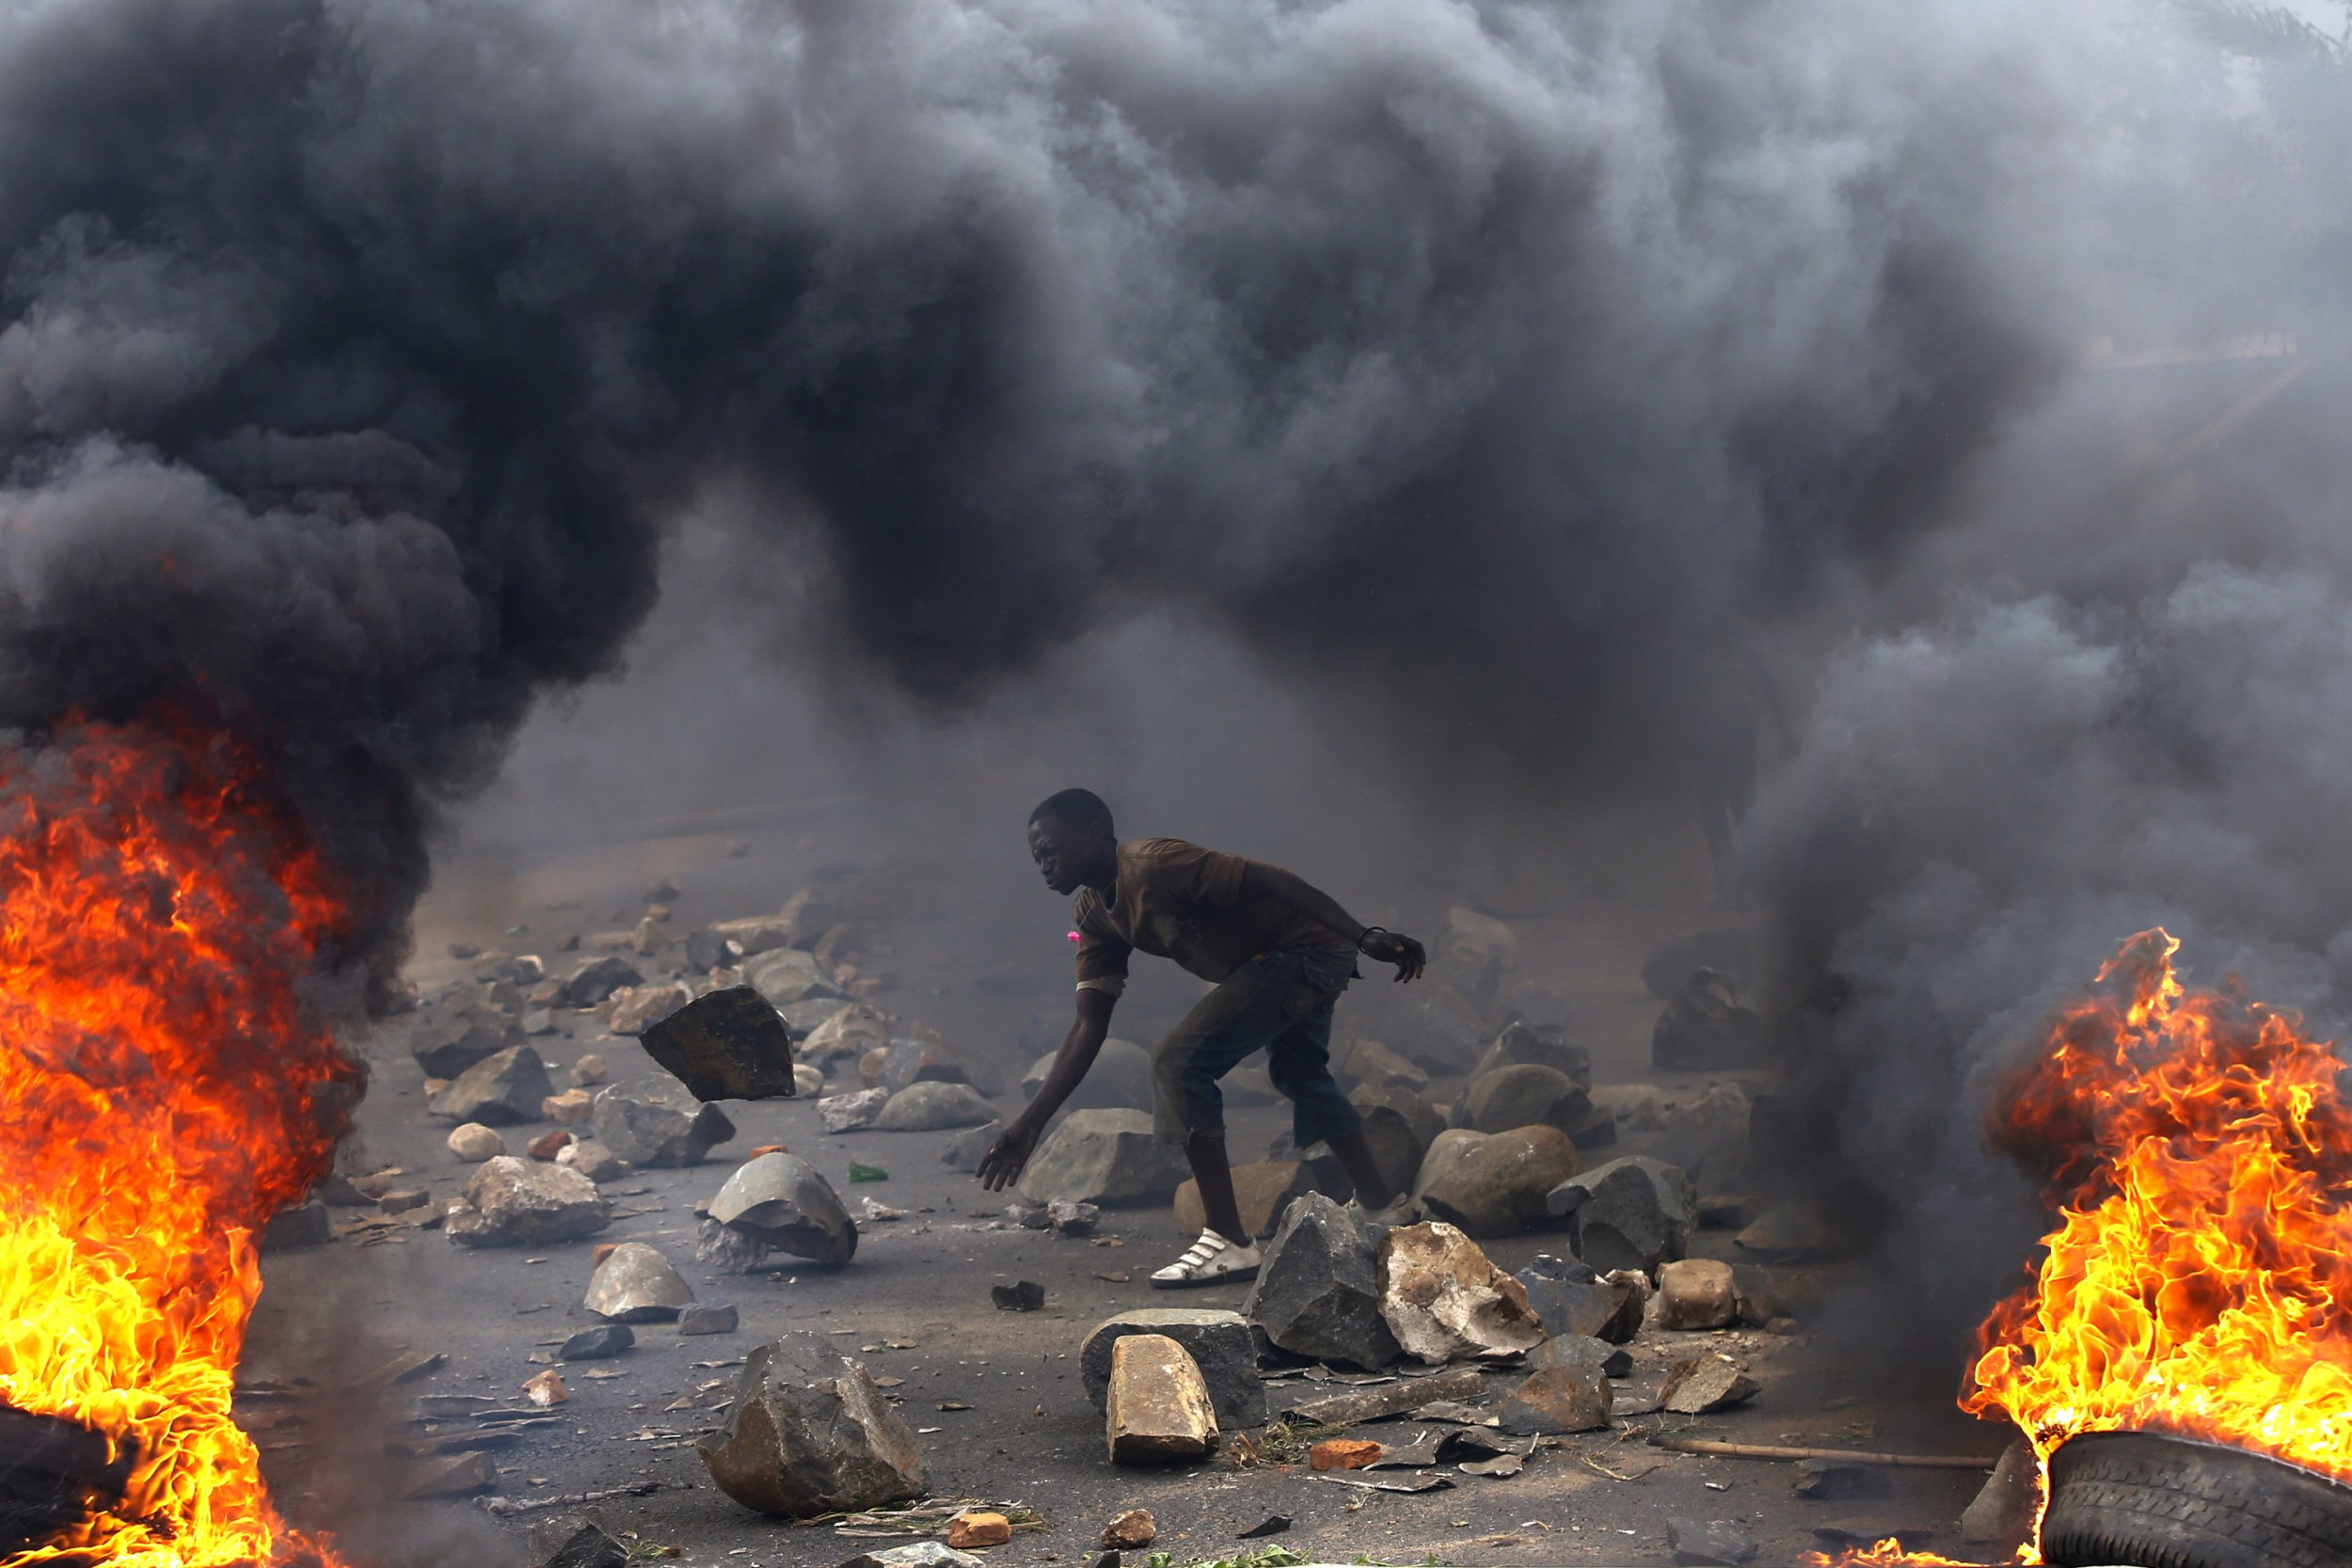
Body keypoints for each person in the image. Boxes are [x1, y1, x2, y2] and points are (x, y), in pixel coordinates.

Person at [977, 788, 1427, 1287]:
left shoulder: (1155, 864)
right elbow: (1090, 1022)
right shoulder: (1092, 915)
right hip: (1281, 959)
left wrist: (1363, 934)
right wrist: (1029, 1124)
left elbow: (1272, 880)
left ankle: (1228, 1241)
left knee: (1179, 1062)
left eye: (1050, 850)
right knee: (1297, 1070)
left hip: (1306, 949)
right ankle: (1381, 1205)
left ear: (1094, 835)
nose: (1043, 865)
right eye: (1037, 857)